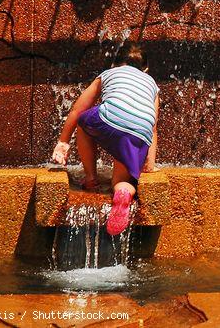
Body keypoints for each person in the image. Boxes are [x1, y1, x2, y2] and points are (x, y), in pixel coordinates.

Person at [50, 42, 159, 236]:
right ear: (146, 69)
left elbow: (78, 109)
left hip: (109, 119)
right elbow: (152, 127)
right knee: (121, 180)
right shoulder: (152, 84)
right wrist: (148, 163)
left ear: (114, 64)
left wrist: (63, 142)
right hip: (138, 134)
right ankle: (123, 194)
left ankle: (91, 178)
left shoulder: (108, 74)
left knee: (84, 123)